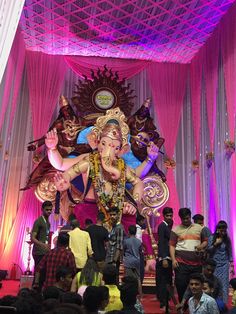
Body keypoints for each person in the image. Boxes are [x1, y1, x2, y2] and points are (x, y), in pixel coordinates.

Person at [45, 107, 159, 229]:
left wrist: (132, 203)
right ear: (97, 142)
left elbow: (138, 179)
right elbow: (62, 165)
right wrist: (52, 149)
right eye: (104, 144)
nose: (108, 150)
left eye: (115, 147)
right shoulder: (89, 159)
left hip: (117, 210)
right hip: (90, 209)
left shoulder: (121, 165)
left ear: (121, 150)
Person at [169, 207, 208, 302]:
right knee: (181, 285)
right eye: (184, 219)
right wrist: (173, 260)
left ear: (190, 217)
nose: (186, 220)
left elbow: (206, 241)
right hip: (181, 263)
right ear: (180, 218)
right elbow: (172, 246)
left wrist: (201, 246)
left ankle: (195, 305)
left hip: (196, 264)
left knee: (197, 286)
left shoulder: (199, 228)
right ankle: (183, 305)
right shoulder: (176, 230)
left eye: (187, 218)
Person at [208, 220, 234, 302]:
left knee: (224, 285)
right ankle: (214, 303)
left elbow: (230, 252)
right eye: (221, 230)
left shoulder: (227, 239)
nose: (223, 232)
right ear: (217, 229)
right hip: (214, 265)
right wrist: (216, 243)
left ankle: (223, 304)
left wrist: (232, 265)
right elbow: (208, 250)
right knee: (215, 284)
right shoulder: (211, 238)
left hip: (224, 265)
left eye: (224, 230)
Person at [156, 206, 173, 309]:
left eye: (171, 215)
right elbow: (161, 242)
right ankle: (163, 303)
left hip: (169, 257)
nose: (169, 217)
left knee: (167, 280)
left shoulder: (168, 225)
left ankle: (166, 302)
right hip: (165, 257)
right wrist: (164, 258)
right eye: (167, 215)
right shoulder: (162, 226)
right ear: (164, 216)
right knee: (163, 281)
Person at [105, 207, 125, 282]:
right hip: (109, 258)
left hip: (113, 260)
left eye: (114, 214)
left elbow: (119, 246)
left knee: (113, 280)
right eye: (111, 215)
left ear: (118, 215)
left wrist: (114, 261)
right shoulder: (113, 227)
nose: (112, 217)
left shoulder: (119, 228)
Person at [123, 225, 142, 295]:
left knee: (128, 279)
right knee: (138, 278)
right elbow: (140, 251)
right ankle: (141, 294)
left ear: (128, 232)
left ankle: (128, 294)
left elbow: (123, 250)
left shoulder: (126, 241)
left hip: (128, 261)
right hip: (137, 261)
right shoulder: (139, 241)